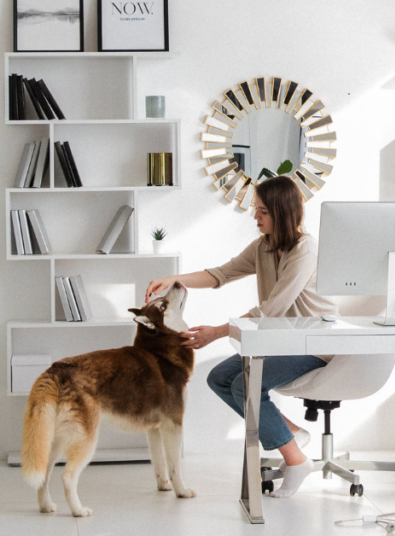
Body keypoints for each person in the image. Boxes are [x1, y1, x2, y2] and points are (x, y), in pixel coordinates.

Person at [144, 175, 338, 499]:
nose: (255, 218)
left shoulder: (306, 250)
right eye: (256, 210)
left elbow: (272, 309)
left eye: (262, 211)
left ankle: (296, 460)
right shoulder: (264, 246)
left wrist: (217, 333)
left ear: (281, 213)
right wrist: (173, 279)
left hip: (314, 343)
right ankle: (289, 433)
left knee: (245, 384)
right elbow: (221, 274)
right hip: (281, 340)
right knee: (220, 378)